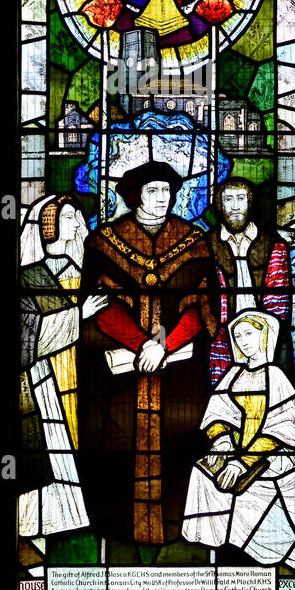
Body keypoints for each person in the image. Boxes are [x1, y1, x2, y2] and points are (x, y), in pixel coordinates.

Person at [78, 160, 219, 546]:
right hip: (119, 369)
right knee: (116, 444)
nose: (163, 198)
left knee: (181, 443)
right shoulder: (104, 241)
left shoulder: (193, 241)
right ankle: (116, 530)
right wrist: (141, 343)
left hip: (179, 371)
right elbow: (100, 305)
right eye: (153, 190)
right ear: (134, 196)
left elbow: (202, 307)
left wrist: (164, 344)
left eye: (168, 191)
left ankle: (179, 527)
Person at [17, 194, 109, 538]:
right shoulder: (29, 276)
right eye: (69, 217)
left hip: (87, 372)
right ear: (49, 225)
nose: (77, 223)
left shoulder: (88, 272)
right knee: (53, 447)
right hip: (46, 379)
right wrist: (78, 316)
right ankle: (48, 523)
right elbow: (25, 340)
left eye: (77, 217)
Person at [181, 312, 295, 568]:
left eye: (250, 333)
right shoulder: (233, 374)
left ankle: (259, 551)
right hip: (234, 453)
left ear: (265, 335)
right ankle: (211, 541)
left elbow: (280, 428)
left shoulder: (276, 377)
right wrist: (223, 442)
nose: (243, 341)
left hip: (272, 456)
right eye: (238, 336)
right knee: (201, 473)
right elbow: (217, 414)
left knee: (254, 485)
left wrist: (243, 461)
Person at [207, 176, 290, 384]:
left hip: (266, 336)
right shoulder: (206, 246)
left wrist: (264, 338)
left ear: (250, 203)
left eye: (241, 199)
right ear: (219, 204)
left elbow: (278, 301)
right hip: (223, 339)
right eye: (228, 200)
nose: (235, 206)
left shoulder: (273, 245)